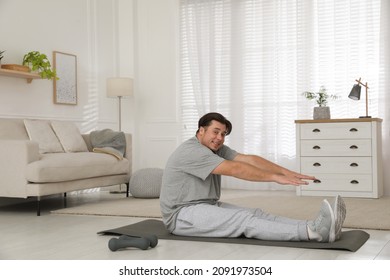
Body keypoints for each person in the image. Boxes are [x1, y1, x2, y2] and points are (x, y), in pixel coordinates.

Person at [160, 112, 346, 242]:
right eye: (215, 132)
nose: (219, 138)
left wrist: (285, 172)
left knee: (255, 214)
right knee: (244, 221)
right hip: (182, 215)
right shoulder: (192, 151)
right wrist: (274, 177)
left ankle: (316, 225)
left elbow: (247, 159)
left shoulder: (214, 148)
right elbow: (235, 169)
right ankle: (313, 233)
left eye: (223, 134)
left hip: (204, 206)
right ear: (201, 130)